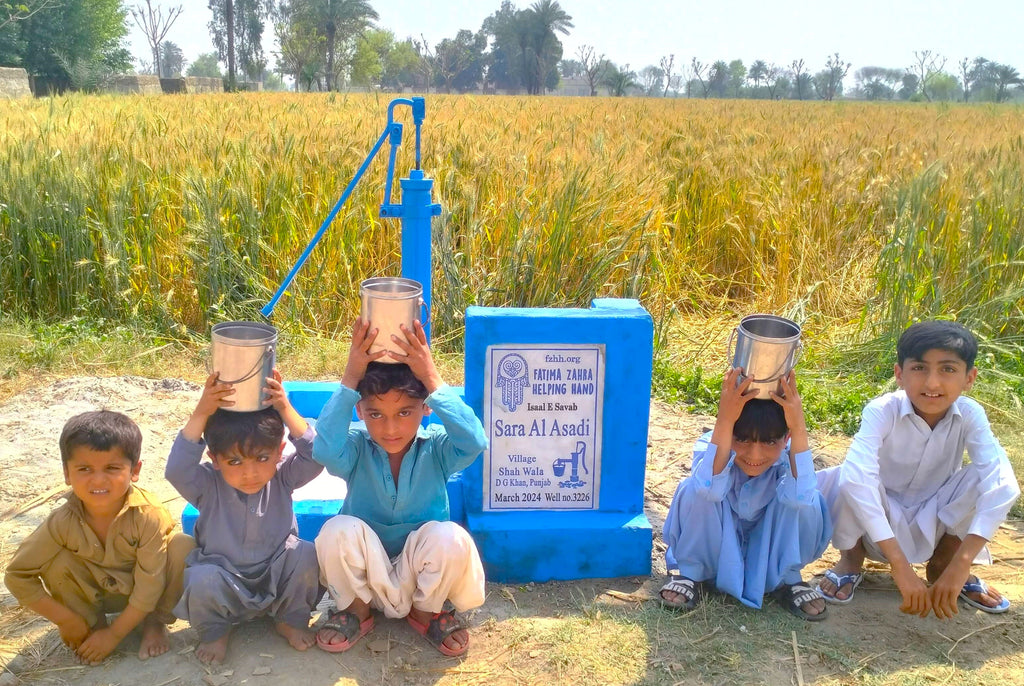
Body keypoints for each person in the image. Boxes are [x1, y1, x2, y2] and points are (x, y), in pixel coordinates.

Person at [816, 320, 1020, 618]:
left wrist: (961, 564)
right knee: (851, 475)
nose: (932, 383)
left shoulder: (971, 414)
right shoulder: (882, 411)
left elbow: (1003, 485)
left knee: (987, 475)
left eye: (948, 369)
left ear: (969, 378)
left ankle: (943, 566)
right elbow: (858, 480)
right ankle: (851, 559)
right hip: (875, 526)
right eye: (919, 368)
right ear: (900, 374)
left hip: (934, 521)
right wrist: (899, 566)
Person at [313, 319, 487, 656]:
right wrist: (351, 376)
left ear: (426, 408)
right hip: (364, 578)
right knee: (336, 530)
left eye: (404, 412)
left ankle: (426, 612)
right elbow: (323, 448)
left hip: (421, 579)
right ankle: (356, 611)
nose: (390, 428)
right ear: (360, 410)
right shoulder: (356, 448)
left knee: (449, 536)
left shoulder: (437, 448)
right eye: (376, 414)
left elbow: (475, 441)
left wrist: (431, 378)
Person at [5, 410, 193, 664]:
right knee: (55, 558)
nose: (98, 479)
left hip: (144, 595)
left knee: (183, 545)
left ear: (134, 470)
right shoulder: (61, 522)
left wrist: (115, 634)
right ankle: (90, 624)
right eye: (84, 468)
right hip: (93, 596)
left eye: (112, 468)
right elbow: (17, 575)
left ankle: (153, 623)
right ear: (67, 473)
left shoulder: (148, 515)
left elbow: (149, 587)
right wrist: (66, 619)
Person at [165, 369, 323, 664]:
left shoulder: (282, 477)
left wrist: (284, 408)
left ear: (279, 452)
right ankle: (216, 630)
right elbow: (176, 470)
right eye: (234, 461)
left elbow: (316, 455)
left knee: (307, 554)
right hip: (225, 580)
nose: (249, 473)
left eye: (262, 458)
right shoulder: (207, 484)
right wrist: (202, 411)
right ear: (214, 459)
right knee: (200, 577)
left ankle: (288, 619)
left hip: (278, 577)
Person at [661, 368, 831, 621]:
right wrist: (725, 420)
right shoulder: (712, 443)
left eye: (770, 442)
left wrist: (798, 424)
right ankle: (691, 574)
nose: (754, 456)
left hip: (768, 561)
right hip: (716, 556)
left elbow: (801, 497)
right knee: (695, 489)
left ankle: (788, 580)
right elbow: (707, 489)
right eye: (742, 440)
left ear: (786, 438)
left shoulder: (790, 455)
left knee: (809, 498)